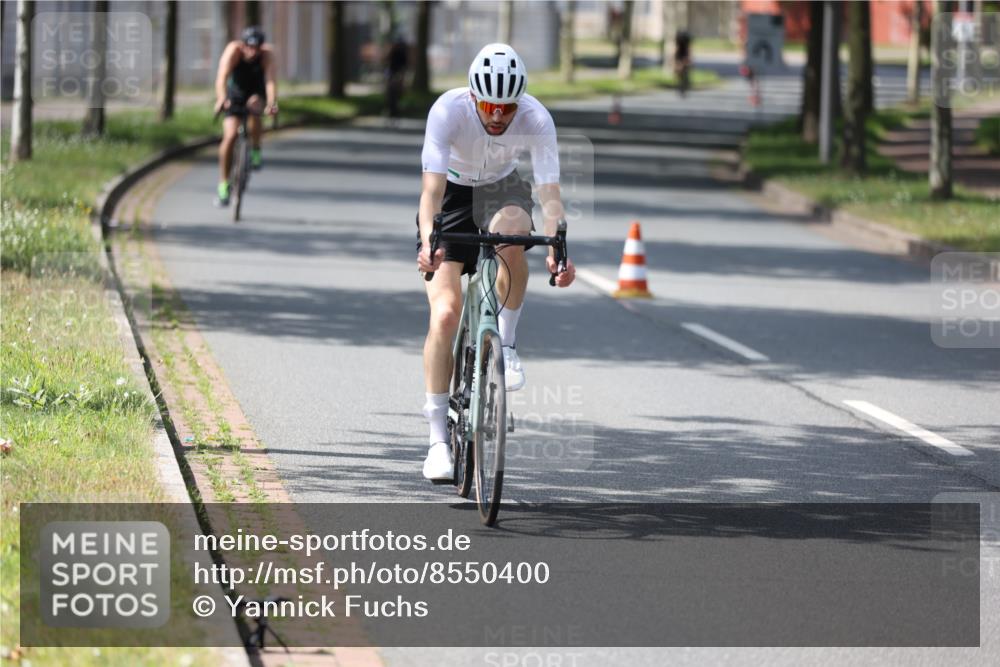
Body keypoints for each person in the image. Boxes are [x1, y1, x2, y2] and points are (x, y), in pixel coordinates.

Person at [415, 43, 577, 481]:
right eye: (489, 105)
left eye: (507, 107)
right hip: (450, 196)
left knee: (513, 234)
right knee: (445, 313)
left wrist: (557, 247)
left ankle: (504, 345)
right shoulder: (447, 111)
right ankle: (437, 441)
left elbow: (549, 191)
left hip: (500, 188)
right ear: (472, 97)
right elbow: (429, 192)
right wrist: (429, 239)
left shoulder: (537, 118)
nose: (498, 116)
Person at [213, 26, 278, 207]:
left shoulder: (267, 55)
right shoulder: (233, 51)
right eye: (249, 46)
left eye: (256, 47)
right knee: (230, 136)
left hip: (256, 91)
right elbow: (222, 77)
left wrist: (272, 103)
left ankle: (256, 150)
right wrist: (221, 98)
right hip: (235, 93)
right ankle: (224, 184)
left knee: (256, 109)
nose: (252, 51)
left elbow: (271, 81)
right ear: (243, 45)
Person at [385, 32, 409, 119]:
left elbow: (404, 66)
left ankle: (398, 104)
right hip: (391, 72)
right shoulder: (392, 52)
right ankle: (390, 107)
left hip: (398, 73)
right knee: (389, 89)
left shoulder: (402, 53)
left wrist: (402, 76)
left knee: (400, 88)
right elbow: (387, 62)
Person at [674, 30, 692, 97]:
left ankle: (683, 85)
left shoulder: (686, 43)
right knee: (681, 73)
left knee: (683, 73)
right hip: (681, 56)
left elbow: (689, 50)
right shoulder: (679, 42)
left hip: (683, 56)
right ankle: (682, 86)